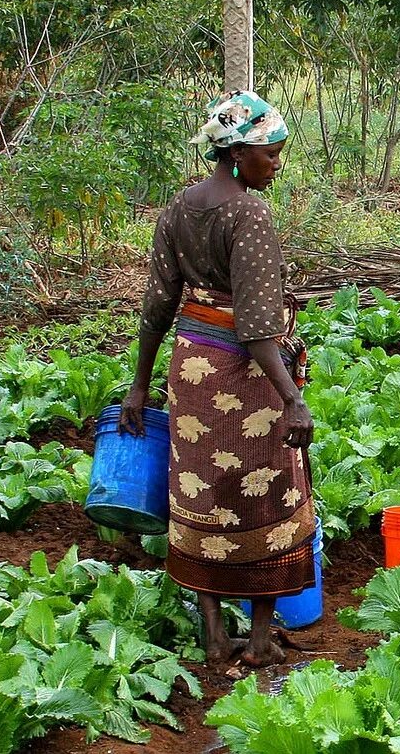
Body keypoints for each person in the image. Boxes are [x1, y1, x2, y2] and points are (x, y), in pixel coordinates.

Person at [121, 90, 313, 669]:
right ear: (237, 154)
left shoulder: (180, 206)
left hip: (192, 371)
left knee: (201, 492)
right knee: (263, 497)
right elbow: (257, 328)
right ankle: (256, 641)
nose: (276, 164)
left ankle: (211, 634)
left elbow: (158, 305)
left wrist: (139, 385)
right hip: (246, 375)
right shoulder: (248, 212)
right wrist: (293, 399)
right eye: (270, 153)